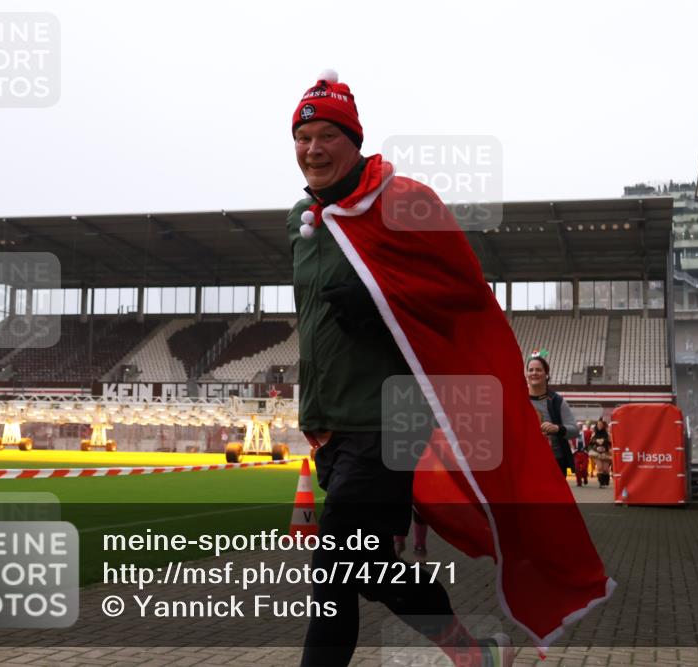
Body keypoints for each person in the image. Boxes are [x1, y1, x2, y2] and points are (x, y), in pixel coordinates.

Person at [288, 70, 514, 667]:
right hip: (336, 426)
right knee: (361, 566)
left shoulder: (397, 202)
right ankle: (471, 654)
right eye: (302, 137)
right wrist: (312, 413)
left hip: (393, 419)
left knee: (333, 568)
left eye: (326, 136)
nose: (312, 149)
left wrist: (385, 307)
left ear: (354, 140)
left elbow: (462, 292)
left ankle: (468, 652)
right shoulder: (302, 222)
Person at [525, 356, 577, 478]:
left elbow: (574, 431)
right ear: (526, 374)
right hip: (524, 462)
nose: (534, 373)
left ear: (546, 374)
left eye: (538, 370)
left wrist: (557, 428)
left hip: (554, 463)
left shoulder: (557, 401)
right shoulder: (517, 399)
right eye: (531, 370)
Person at [589, 419, 612, 487]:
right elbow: (590, 444)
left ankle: (605, 481)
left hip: (606, 453)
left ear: (604, 426)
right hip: (596, 453)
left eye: (601, 425)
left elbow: (611, 444)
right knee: (600, 468)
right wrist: (594, 448)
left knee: (605, 469)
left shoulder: (608, 434)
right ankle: (601, 483)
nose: (599, 426)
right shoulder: (594, 434)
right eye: (598, 425)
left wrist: (608, 449)